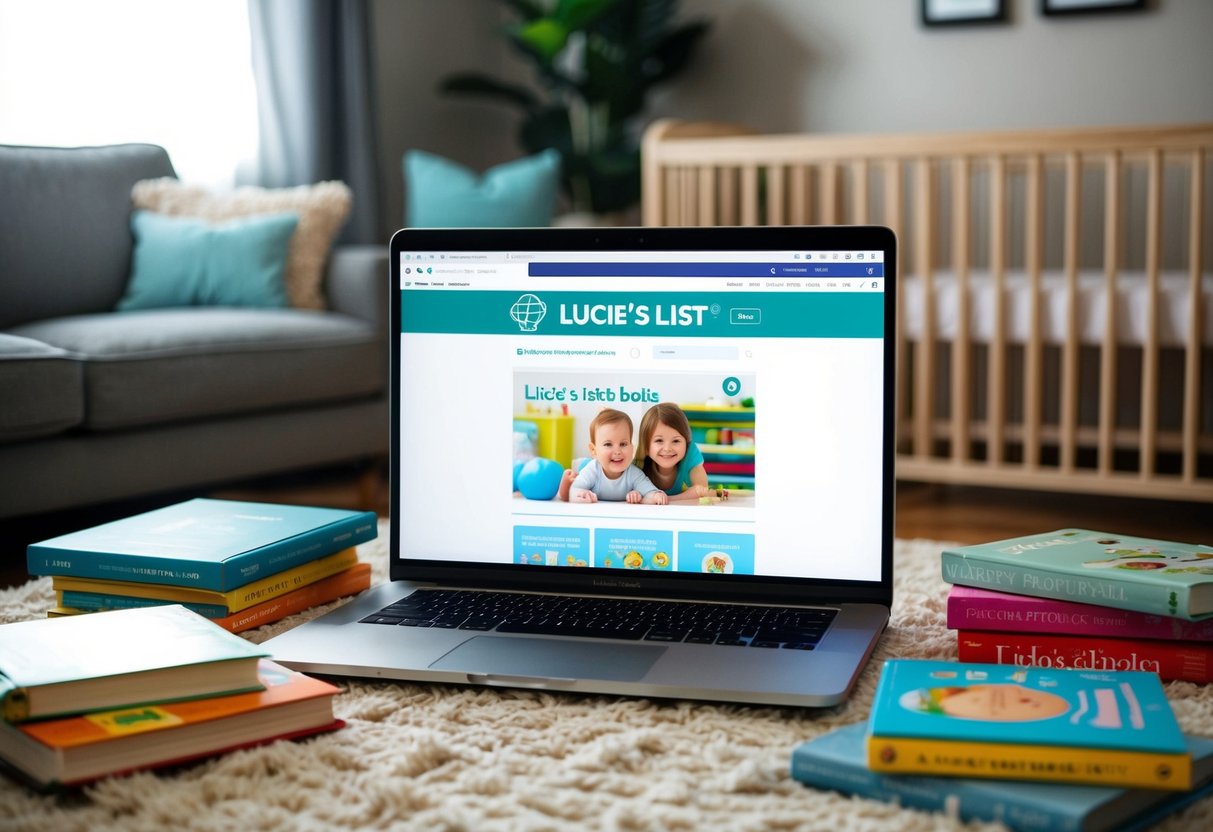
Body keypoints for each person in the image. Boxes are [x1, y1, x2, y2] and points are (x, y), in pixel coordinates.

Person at [566, 409, 667, 504]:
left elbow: (650, 492)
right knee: (572, 474)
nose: (617, 451)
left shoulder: (634, 474)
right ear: (594, 450)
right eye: (608, 444)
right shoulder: (592, 470)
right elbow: (573, 491)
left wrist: (655, 496)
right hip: (585, 464)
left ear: (632, 448)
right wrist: (581, 494)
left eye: (623, 444)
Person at [636, 402, 712, 503]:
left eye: (676, 441)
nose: (667, 449)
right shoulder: (637, 465)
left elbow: (702, 490)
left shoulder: (690, 454)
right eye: (659, 441)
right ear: (646, 445)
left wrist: (665, 499)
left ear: (686, 443)